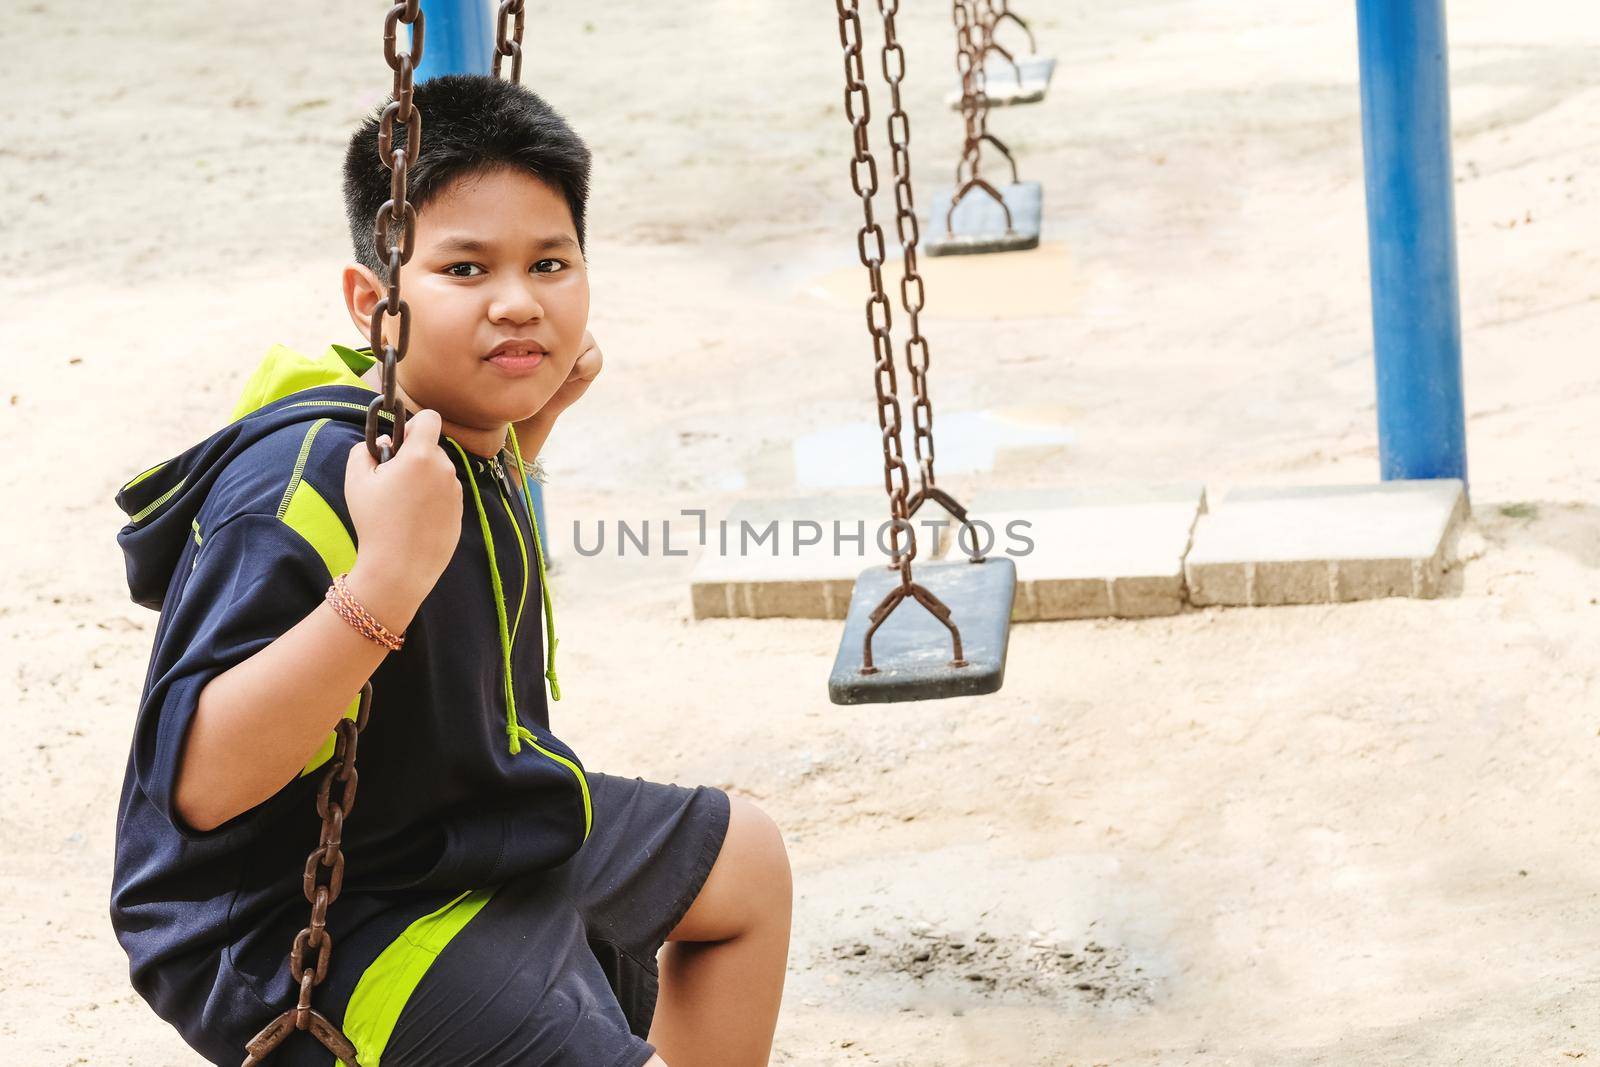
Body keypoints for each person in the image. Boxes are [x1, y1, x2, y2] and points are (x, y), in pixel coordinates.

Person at [110, 74, 791, 1067]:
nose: (518, 301)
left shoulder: (456, 437)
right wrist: (382, 583)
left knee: (744, 861)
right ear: (373, 299)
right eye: (466, 270)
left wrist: (527, 427)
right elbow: (203, 784)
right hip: (307, 923)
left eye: (549, 262)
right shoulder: (304, 489)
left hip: (454, 821)